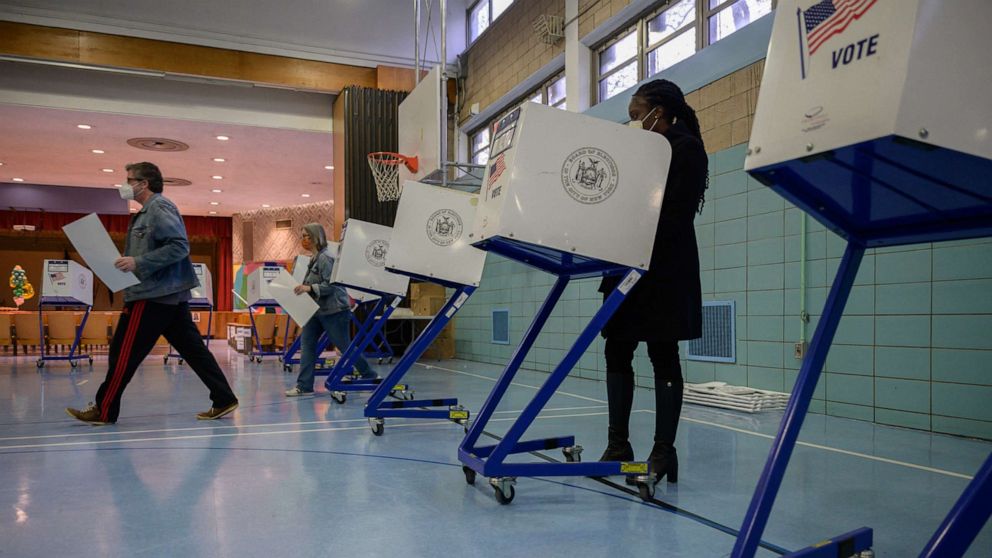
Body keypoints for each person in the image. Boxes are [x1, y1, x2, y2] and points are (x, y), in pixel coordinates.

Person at [66, 162, 239, 425]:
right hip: (169, 296)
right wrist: (132, 260)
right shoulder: (147, 211)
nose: (125, 185)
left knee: (123, 353)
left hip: (152, 296)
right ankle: (224, 398)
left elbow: (179, 246)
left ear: (143, 184)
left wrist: (139, 262)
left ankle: (104, 409)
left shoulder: (158, 207)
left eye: (129, 179)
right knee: (194, 351)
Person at [598, 79, 708, 485]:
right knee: (617, 350)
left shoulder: (686, 149)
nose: (632, 123)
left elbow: (675, 213)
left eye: (634, 115)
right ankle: (618, 445)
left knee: (663, 354)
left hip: (664, 269)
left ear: (656, 113)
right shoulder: (639, 151)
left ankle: (664, 451)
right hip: (627, 264)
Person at [285, 223, 377, 397]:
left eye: (306, 236)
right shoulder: (314, 258)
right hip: (317, 311)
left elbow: (332, 285)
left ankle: (370, 376)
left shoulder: (325, 257)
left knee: (344, 346)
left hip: (334, 310)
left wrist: (309, 288)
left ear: (315, 237)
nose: (303, 240)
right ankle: (304, 386)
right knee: (307, 346)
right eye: (302, 236)